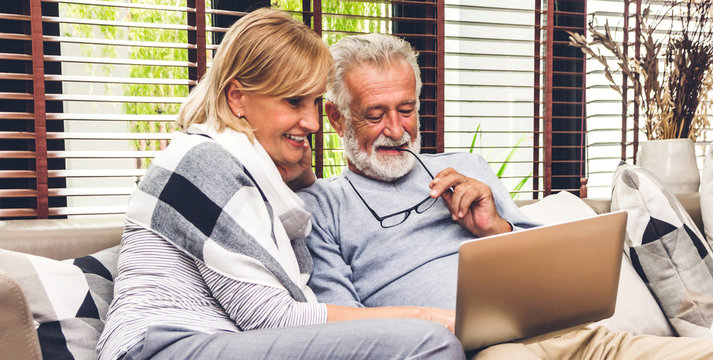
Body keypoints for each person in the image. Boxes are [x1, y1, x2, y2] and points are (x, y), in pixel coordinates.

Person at [297, 33, 713, 359]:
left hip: (575, 335)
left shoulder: (467, 169)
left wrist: (496, 227)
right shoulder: (321, 207)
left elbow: (549, 270)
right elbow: (347, 329)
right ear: (337, 119)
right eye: (375, 114)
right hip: (485, 352)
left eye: (407, 109)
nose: (396, 131)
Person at [97, 9, 464, 360]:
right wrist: (423, 317)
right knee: (429, 343)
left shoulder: (242, 167)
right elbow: (272, 318)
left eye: (315, 102)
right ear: (237, 98)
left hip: (210, 342)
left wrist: (301, 180)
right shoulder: (203, 161)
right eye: (293, 101)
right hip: (162, 347)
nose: (312, 123)